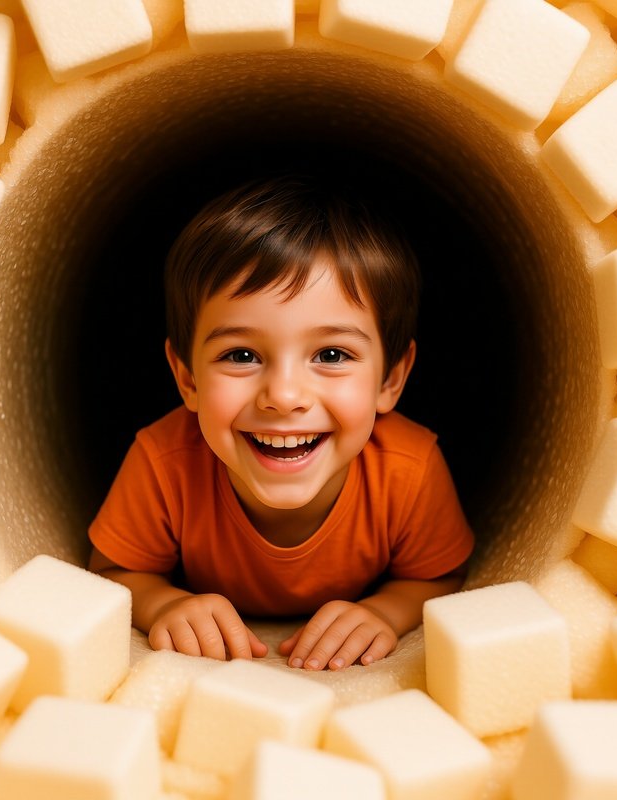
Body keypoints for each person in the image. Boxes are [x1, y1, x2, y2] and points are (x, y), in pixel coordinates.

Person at [87, 174, 474, 671]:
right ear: (187, 379)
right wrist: (164, 603)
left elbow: (441, 575)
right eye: (242, 354)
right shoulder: (164, 462)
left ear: (390, 380)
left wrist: (385, 611)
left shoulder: (410, 469)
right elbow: (114, 569)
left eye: (331, 354)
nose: (284, 396)